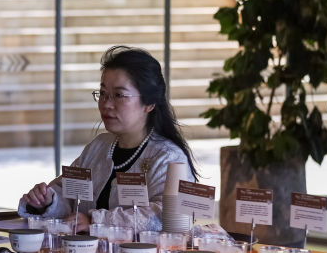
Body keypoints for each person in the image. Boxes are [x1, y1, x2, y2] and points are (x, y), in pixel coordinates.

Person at [19, 46, 197, 222]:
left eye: (119, 95)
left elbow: (164, 216)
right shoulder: (99, 146)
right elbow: (69, 196)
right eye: (103, 93)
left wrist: (94, 220)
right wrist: (47, 201)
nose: (106, 104)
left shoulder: (168, 157)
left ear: (149, 103)